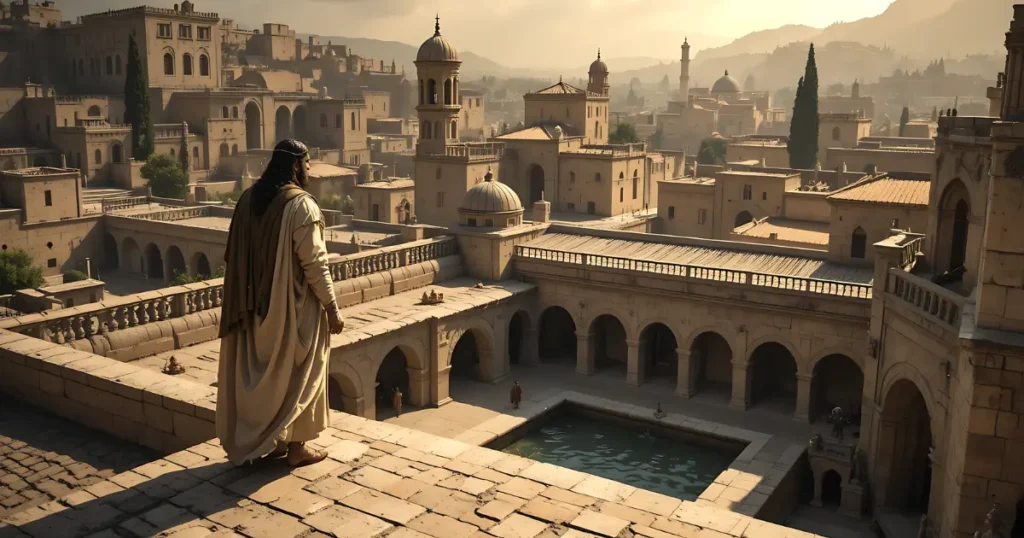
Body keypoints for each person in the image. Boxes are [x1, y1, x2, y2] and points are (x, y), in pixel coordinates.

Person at [216, 139, 345, 467]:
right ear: (295, 166)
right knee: (299, 376)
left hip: (253, 309)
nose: (310, 171)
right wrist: (332, 307)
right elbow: (315, 263)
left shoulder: (247, 200)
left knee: (265, 380)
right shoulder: (301, 206)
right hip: (291, 309)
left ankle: (269, 442)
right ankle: (297, 448)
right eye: (307, 164)